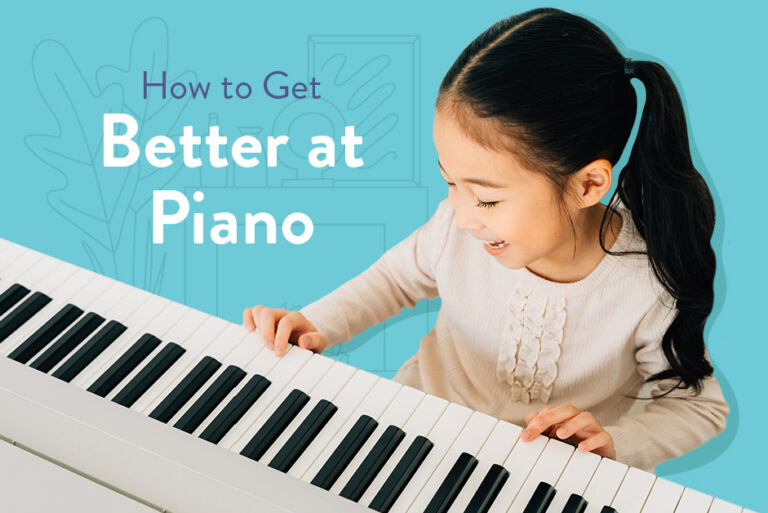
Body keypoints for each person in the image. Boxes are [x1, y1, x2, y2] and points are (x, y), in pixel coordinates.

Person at [242, 7, 729, 473]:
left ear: (589, 185)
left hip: (536, 474)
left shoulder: (646, 284)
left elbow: (700, 410)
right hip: (413, 429)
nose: (463, 215)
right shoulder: (457, 227)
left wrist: (617, 442)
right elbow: (394, 278)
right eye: (451, 183)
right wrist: (317, 322)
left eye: (488, 199)